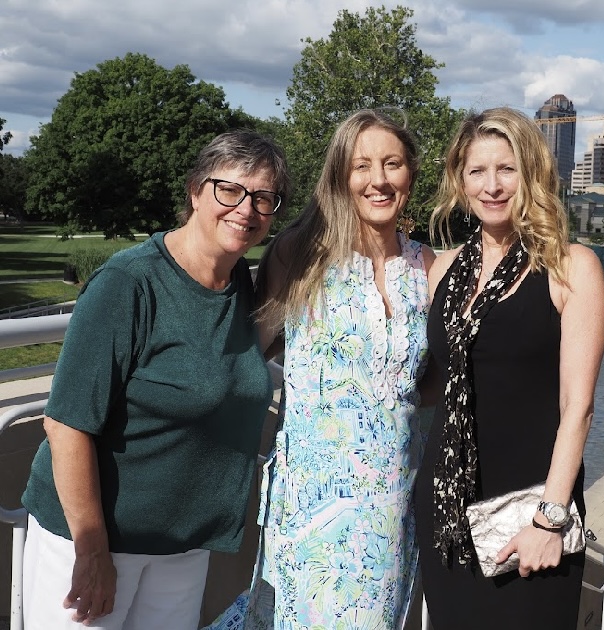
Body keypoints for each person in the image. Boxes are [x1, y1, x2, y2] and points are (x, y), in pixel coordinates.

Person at [20, 130, 289, 629]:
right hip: (97, 541)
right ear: (194, 191)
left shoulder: (242, 288)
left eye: (264, 198)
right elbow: (66, 425)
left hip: (183, 546)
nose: (246, 210)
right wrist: (92, 551)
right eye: (229, 190)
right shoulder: (130, 283)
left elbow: (236, 368)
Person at [216, 109, 435, 629]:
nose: (378, 180)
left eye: (392, 164)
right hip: (312, 505)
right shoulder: (301, 254)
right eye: (362, 166)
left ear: (411, 175)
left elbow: (427, 378)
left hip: (392, 504)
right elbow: (250, 352)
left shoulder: (429, 266)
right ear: (340, 175)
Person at [413, 107, 604, 628]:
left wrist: (551, 517)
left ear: (532, 175)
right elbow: (439, 383)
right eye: (477, 171)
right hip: (447, 505)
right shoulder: (443, 270)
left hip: (530, 510)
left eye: (508, 169)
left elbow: (579, 407)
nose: (492, 186)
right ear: (459, 179)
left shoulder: (571, 267)